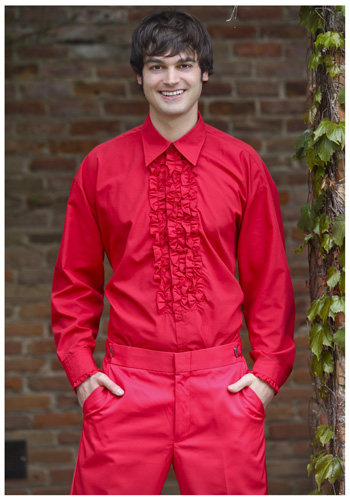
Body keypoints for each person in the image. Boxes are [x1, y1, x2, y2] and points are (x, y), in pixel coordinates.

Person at [51, 10, 295, 495]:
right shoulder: (99, 167)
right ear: (139, 76)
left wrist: (266, 374)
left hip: (222, 389)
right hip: (126, 389)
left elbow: (268, 280)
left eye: (183, 64)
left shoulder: (243, 165)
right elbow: (75, 283)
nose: (171, 78)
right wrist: (83, 374)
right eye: (156, 66)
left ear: (204, 71)